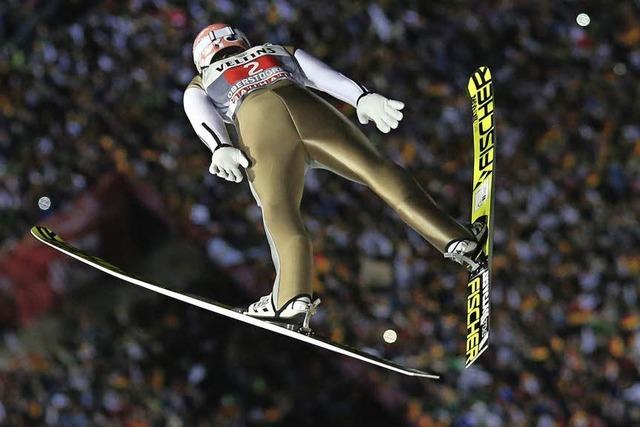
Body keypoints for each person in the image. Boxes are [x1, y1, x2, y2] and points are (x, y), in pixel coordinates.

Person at [183, 23, 485, 329]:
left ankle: (291, 296)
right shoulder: (274, 49)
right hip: (308, 107)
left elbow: (196, 108)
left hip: (258, 122)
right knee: (375, 168)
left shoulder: (203, 78)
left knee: (278, 208)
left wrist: (219, 145)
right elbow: (321, 75)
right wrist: (361, 97)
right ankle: (455, 239)